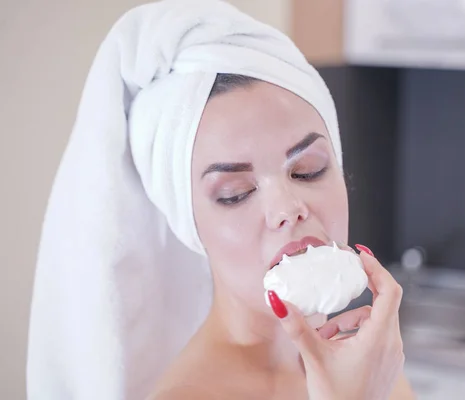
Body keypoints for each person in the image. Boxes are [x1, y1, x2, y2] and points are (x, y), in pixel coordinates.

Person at [26, 1, 415, 399]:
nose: (287, 208)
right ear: (189, 223)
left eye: (308, 170)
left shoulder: (364, 359)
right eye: (236, 193)